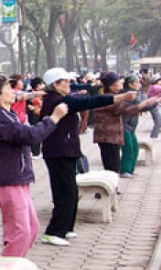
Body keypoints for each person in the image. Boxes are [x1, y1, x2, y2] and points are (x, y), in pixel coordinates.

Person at [39, 67, 137, 247]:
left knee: (70, 191)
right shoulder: (58, 100)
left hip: (65, 150)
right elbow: (90, 102)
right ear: (55, 85)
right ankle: (53, 232)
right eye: (65, 82)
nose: (69, 84)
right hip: (59, 152)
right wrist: (120, 97)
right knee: (65, 193)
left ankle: (66, 227)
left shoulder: (58, 98)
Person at [0, 74, 69, 257]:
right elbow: (30, 135)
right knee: (20, 232)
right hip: (9, 180)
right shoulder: (0, 118)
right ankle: (7, 269)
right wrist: (53, 118)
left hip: (19, 178)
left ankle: (15, 264)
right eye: (8, 89)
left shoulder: (9, 114)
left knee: (32, 227)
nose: (13, 92)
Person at [87, 72, 160, 174]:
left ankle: (117, 180)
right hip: (107, 136)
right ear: (111, 85)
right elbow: (126, 110)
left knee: (115, 164)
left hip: (113, 135)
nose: (121, 84)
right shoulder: (108, 98)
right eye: (118, 82)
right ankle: (119, 177)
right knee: (112, 166)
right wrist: (145, 104)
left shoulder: (115, 96)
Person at [120, 74, 161, 178]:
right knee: (128, 149)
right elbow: (135, 107)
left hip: (132, 125)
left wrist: (154, 103)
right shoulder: (127, 95)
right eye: (137, 82)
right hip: (124, 125)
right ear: (130, 84)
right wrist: (148, 103)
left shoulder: (136, 94)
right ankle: (125, 170)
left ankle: (130, 170)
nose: (140, 84)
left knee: (135, 148)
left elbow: (141, 107)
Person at [26, 77, 45, 158]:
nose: (43, 85)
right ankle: (35, 152)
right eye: (41, 84)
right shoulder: (29, 93)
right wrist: (32, 108)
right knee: (35, 133)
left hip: (42, 114)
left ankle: (40, 150)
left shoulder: (44, 93)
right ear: (37, 86)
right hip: (33, 116)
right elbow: (26, 104)